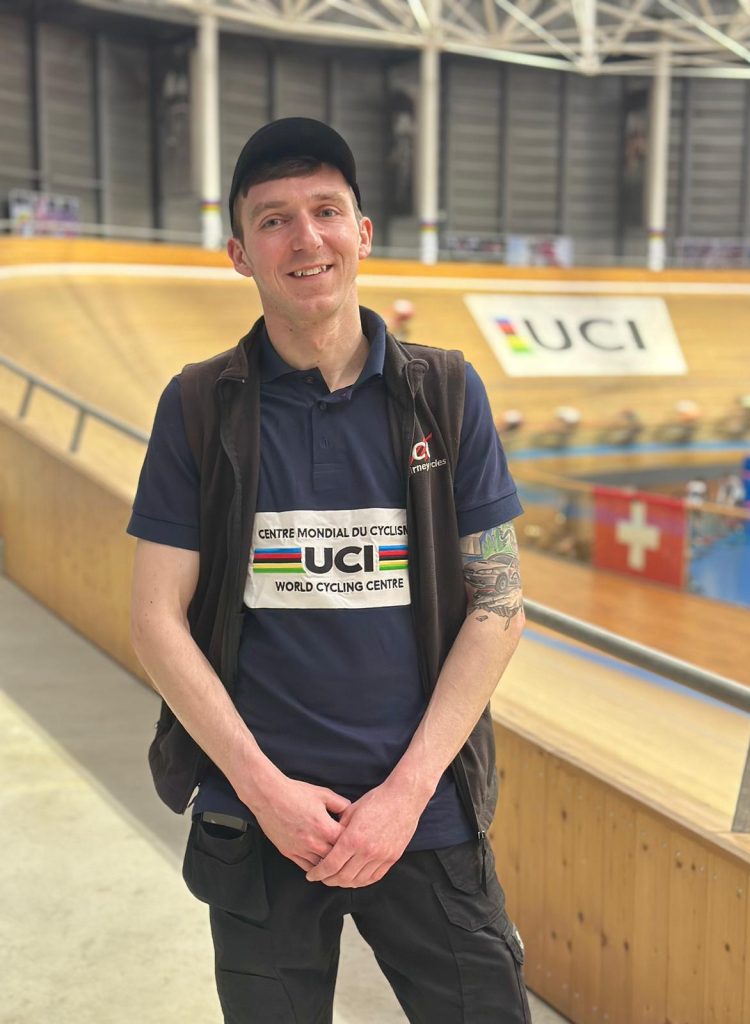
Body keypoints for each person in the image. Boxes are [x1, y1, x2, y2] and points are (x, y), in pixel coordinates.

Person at [128, 117, 529, 1024]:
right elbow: (156, 616)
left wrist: (405, 794)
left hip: (421, 818)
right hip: (257, 824)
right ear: (239, 252)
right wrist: (269, 794)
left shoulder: (450, 393)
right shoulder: (198, 406)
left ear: (362, 233)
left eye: (325, 211)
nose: (304, 238)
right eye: (273, 220)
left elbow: (498, 604)